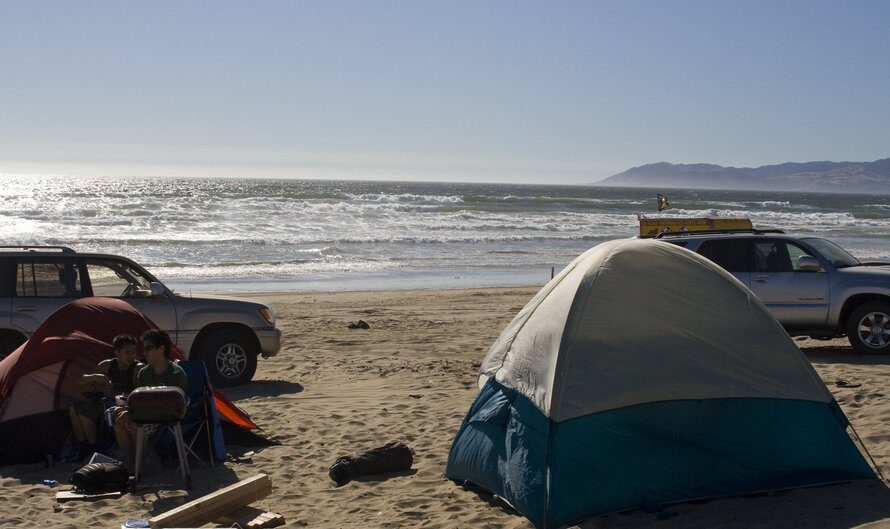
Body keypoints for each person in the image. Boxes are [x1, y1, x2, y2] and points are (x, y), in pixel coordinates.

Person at [112, 329, 187, 470]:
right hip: (145, 413)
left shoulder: (176, 373)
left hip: (168, 415)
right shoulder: (144, 372)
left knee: (136, 425)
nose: (144, 353)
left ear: (161, 349)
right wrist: (127, 410)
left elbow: (177, 403)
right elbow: (139, 399)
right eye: (144, 349)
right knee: (119, 421)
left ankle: (138, 467)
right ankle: (130, 462)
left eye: (149, 348)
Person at [68, 334, 141, 460]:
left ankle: (91, 448)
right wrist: (95, 377)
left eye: (133, 352)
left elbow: (138, 394)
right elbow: (79, 381)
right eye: (127, 353)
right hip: (104, 403)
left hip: (124, 406)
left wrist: (113, 394)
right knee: (76, 410)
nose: (131, 356)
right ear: (117, 353)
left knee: (89, 411)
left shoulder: (137, 368)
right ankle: (88, 447)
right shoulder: (107, 365)